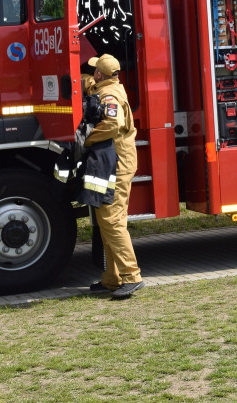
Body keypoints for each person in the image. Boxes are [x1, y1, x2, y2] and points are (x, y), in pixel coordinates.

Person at [86, 54, 145, 299]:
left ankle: (131, 276)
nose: (92, 73)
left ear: (100, 74)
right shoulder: (110, 86)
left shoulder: (109, 95)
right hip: (116, 162)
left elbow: (112, 124)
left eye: (94, 70)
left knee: (112, 221)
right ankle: (112, 279)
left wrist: (87, 139)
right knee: (107, 221)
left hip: (118, 164)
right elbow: (90, 85)